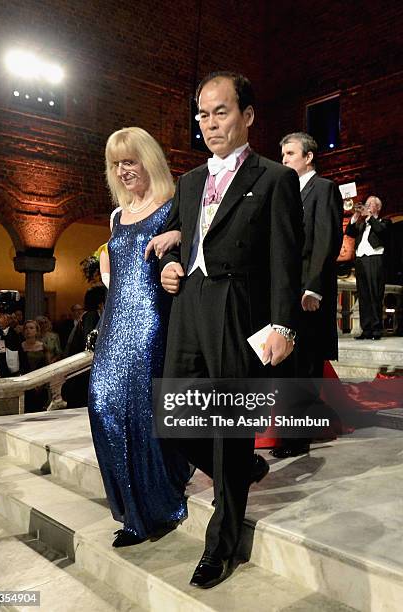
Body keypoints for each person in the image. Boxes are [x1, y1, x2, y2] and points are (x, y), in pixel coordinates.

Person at [160, 71, 304, 588]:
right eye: (202, 114)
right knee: (171, 419)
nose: (209, 123)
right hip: (189, 304)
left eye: (221, 111)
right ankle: (240, 466)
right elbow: (184, 238)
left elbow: (287, 260)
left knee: (228, 425)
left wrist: (283, 323)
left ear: (247, 115)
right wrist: (170, 265)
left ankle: (220, 545)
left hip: (236, 307)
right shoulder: (189, 181)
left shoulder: (273, 178)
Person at [88, 126, 190, 548]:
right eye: (116, 164)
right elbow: (114, 267)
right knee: (100, 401)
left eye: (130, 160)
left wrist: (179, 241)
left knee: (142, 409)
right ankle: (130, 507)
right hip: (115, 319)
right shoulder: (117, 214)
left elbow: (194, 248)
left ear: (148, 159)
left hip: (151, 318)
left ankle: (155, 508)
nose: (123, 170)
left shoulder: (171, 206)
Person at [268, 132, 343, 457]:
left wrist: (313, 285)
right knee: (287, 364)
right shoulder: (286, 191)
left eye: (290, 154)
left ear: (309, 157)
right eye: (282, 154)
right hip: (286, 293)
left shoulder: (323, 189)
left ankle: (297, 438)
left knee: (305, 365)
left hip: (309, 294)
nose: (284, 159)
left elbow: (326, 238)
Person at [346, 195, 392, 339]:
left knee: (375, 294)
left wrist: (370, 217)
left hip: (375, 260)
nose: (366, 206)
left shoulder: (384, 221)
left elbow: (381, 231)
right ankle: (366, 329)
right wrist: (355, 216)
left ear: (378, 207)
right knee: (364, 295)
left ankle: (377, 328)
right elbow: (349, 232)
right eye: (366, 204)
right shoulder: (361, 224)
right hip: (360, 260)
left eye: (370, 204)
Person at [21, 319, 49, 411]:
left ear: (37, 331)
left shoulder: (43, 346)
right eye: (26, 328)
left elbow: (47, 366)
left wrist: (41, 383)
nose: (28, 330)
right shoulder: (20, 346)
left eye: (31, 328)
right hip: (25, 384)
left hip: (40, 383)